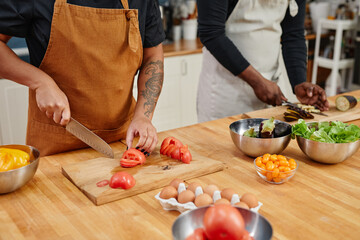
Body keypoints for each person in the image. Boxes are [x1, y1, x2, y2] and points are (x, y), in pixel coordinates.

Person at [0, 0, 165, 156]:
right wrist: (40, 82)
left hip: (123, 141)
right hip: (55, 147)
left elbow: (152, 55)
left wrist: (143, 116)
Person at [196, 0, 330, 122]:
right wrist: (258, 82)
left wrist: (299, 82)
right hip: (226, 92)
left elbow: (293, 34)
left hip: (271, 87)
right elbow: (212, 33)